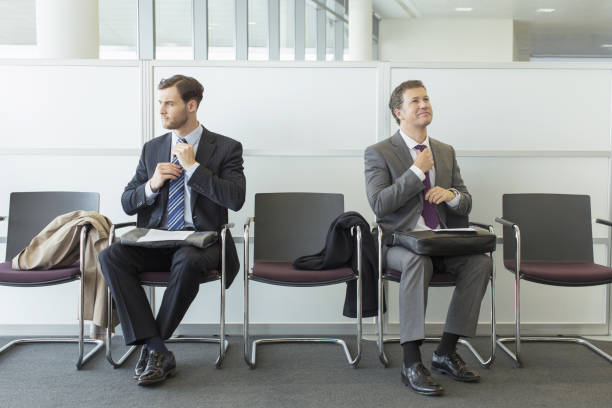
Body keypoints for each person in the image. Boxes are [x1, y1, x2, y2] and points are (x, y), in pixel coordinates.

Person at [99, 74, 246, 386]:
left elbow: (235, 199)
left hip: (202, 243)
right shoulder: (152, 149)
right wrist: (152, 185)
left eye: (169, 103)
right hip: (155, 241)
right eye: (160, 103)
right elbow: (128, 202)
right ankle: (157, 349)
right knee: (111, 255)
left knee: (188, 259)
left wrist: (194, 169)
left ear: (191, 106)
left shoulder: (226, 148)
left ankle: (153, 348)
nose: (162, 110)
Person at [364, 80, 491, 396]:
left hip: (442, 240)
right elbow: (379, 203)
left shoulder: (445, 151)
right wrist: (416, 172)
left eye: (426, 99)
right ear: (399, 112)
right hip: (400, 243)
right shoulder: (379, 152)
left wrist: (449, 195)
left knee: (479, 263)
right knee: (418, 262)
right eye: (415, 101)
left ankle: (446, 351)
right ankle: (410, 361)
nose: (424, 105)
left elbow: (465, 200)